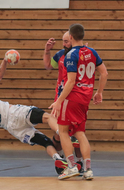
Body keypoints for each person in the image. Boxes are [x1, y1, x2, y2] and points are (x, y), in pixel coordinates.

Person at [49, 24, 108, 180]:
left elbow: (71, 81)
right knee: (80, 133)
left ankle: (72, 167)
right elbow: (104, 73)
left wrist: (58, 101)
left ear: (72, 37)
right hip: (85, 99)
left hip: (72, 98)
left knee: (62, 132)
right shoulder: (92, 52)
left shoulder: (71, 55)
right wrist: (99, 92)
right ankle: (88, 170)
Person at [44, 31, 84, 174]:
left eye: (67, 41)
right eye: (63, 41)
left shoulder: (81, 54)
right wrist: (47, 50)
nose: (64, 44)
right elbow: (48, 66)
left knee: (76, 133)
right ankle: (62, 160)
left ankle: (79, 163)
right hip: (60, 96)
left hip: (75, 97)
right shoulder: (61, 54)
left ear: (73, 39)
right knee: (60, 133)